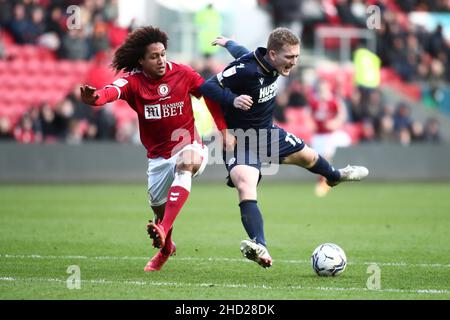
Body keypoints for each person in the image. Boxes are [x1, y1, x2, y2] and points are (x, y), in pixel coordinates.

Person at [199, 28, 369, 268]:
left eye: (297, 56)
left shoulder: (270, 63)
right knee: (245, 184)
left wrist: (228, 42)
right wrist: (231, 101)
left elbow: (241, 52)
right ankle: (260, 246)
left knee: (309, 157)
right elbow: (207, 87)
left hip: (268, 133)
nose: (294, 62)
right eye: (290, 57)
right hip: (241, 139)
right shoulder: (246, 70)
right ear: (273, 54)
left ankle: (334, 176)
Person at [80, 26, 232, 272]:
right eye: (154, 56)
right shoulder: (133, 81)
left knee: (186, 163)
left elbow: (210, 95)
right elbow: (112, 91)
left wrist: (224, 130)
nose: (161, 60)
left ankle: (162, 228)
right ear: (141, 60)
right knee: (159, 212)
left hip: (189, 144)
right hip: (158, 159)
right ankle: (166, 247)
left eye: (163, 54)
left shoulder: (183, 73)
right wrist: (95, 98)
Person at [308, 80, 352, 197]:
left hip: (329, 135)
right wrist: (311, 123)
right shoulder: (314, 101)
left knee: (327, 157)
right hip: (318, 135)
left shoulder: (333, 101)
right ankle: (324, 180)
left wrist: (335, 123)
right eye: (320, 88)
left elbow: (341, 114)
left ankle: (324, 183)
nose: (322, 91)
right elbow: (309, 115)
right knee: (317, 160)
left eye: (324, 88)